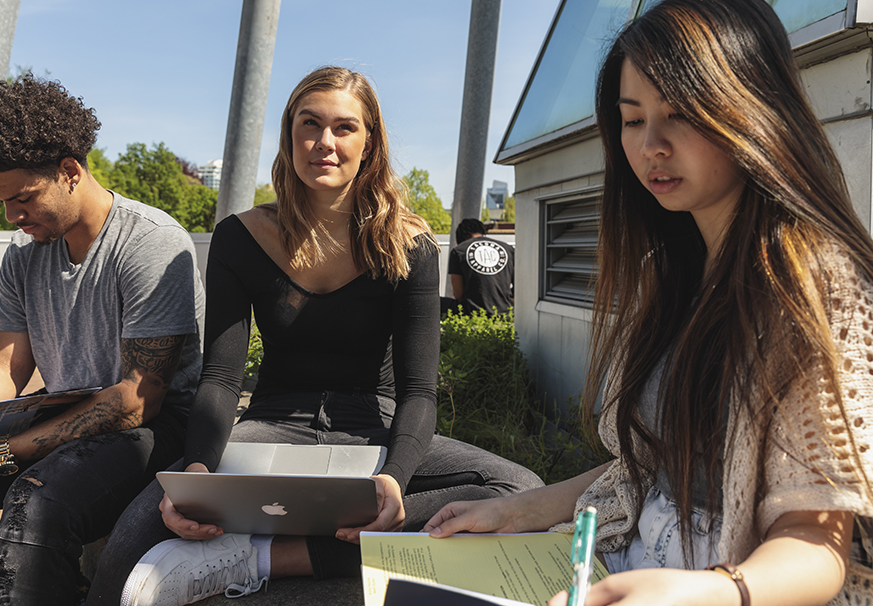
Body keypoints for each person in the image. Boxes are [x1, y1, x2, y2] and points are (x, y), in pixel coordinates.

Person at [423, 0, 873, 606]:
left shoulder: (821, 290)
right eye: (633, 119)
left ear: (752, 107)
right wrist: (517, 512)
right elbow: (658, 467)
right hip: (610, 571)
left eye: (679, 113)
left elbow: (821, 537)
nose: (651, 146)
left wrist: (714, 594)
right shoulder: (672, 271)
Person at [88, 66, 544, 605]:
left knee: (521, 492)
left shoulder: (410, 246)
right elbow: (220, 378)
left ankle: (258, 557)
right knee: (142, 526)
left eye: (344, 127)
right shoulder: (241, 237)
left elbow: (418, 391)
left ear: (369, 142)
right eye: (310, 124)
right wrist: (199, 473)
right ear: (289, 133)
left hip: (371, 433)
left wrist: (395, 480)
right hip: (274, 428)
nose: (324, 143)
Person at [0, 75, 205, 606]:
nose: (12, 217)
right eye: (1, 202)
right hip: (60, 417)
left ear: (69, 172)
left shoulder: (150, 242)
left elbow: (138, 399)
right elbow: (4, 364)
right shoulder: (24, 256)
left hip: (156, 432)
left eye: (22, 198)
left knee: (36, 503)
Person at [447, 217, 514, 315]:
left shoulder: (459, 251)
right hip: (504, 311)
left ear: (461, 237)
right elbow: (519, 285)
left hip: (471, 312)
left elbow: (458, 293)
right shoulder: (508, 249)